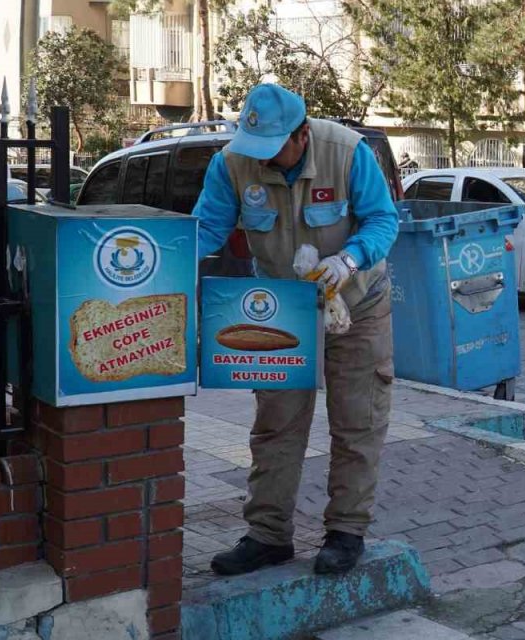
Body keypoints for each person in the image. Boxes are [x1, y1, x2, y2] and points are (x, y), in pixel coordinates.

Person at [192, 84, 399, 576]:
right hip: (282, 309)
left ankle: (346, 532)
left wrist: (349, 259)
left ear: (302, 135)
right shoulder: (231, 162)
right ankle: (267, 535)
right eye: (254, 147)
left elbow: (383, 220)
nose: (261, 159)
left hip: (356, 303)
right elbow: (206, 229)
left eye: (273, 148)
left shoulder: (347, 153)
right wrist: (167, 263)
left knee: (357, 421)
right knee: (276, 425)